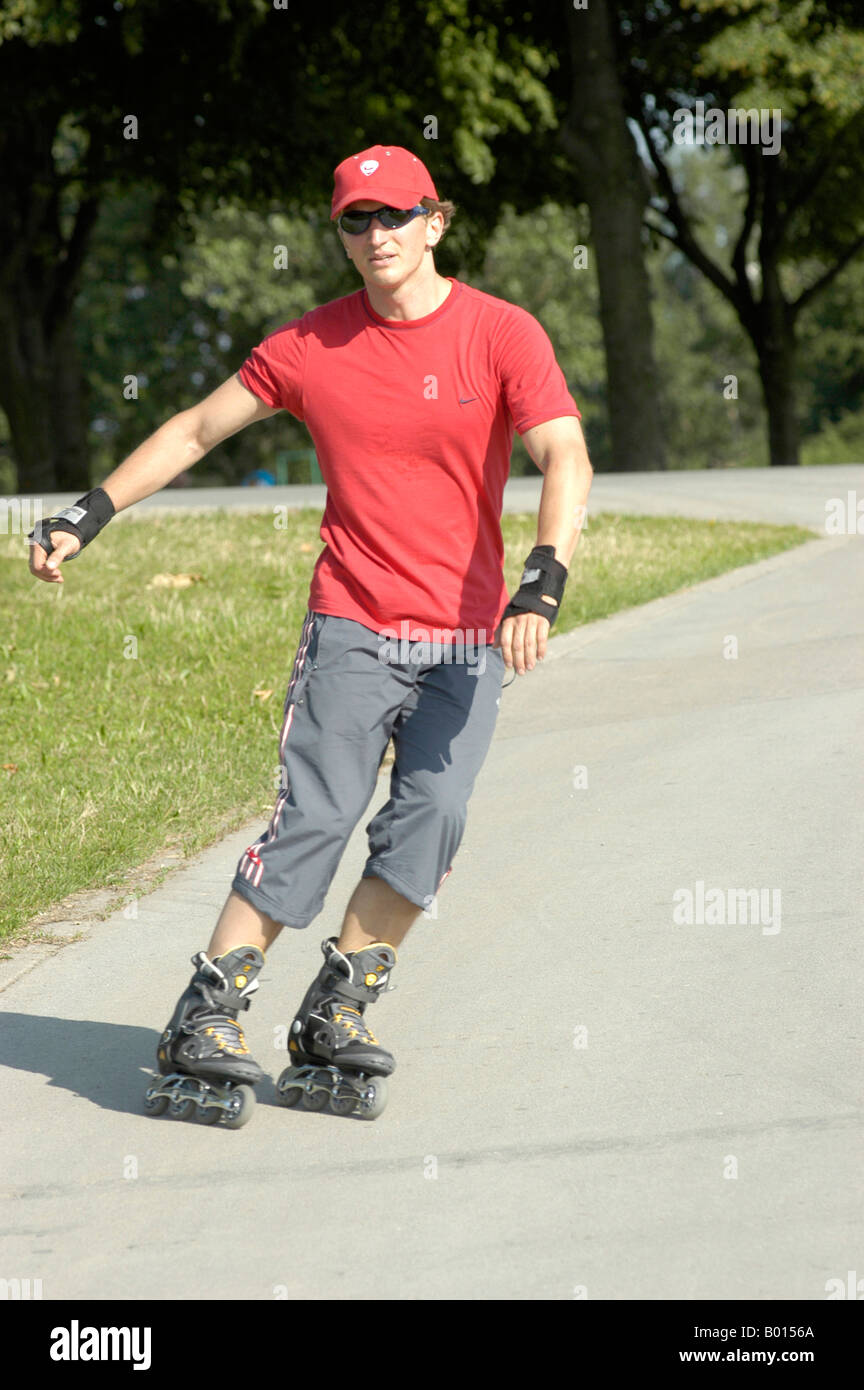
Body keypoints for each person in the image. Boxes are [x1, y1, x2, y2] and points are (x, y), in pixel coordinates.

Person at [28, 144, 593, 1121]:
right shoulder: (310, 345)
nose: (376, 235)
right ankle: (207, 1011)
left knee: (434, 814)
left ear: (437, 221)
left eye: (394, 216)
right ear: (340, 234)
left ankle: (340, 1006)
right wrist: (88, 513)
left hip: (465, 638)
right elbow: (197, 431)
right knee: (317, 818)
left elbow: (565, 452)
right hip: (352, 624)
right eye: (355, 220)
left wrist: (541, 582)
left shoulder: (501, 334)